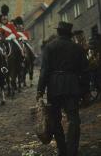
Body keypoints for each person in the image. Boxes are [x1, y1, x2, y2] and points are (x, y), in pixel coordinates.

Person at [37, 21, 89, 156]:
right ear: (69, 34)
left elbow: (44, 71)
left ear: (58, 32)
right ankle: (72, 150)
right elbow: (85, 71)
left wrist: (40, 90)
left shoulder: (49, 47)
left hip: (54, 87)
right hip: (72, 86)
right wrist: (85, 91)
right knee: (74, 119)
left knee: (55, 119)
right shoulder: (77, 48)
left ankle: (62, 149)